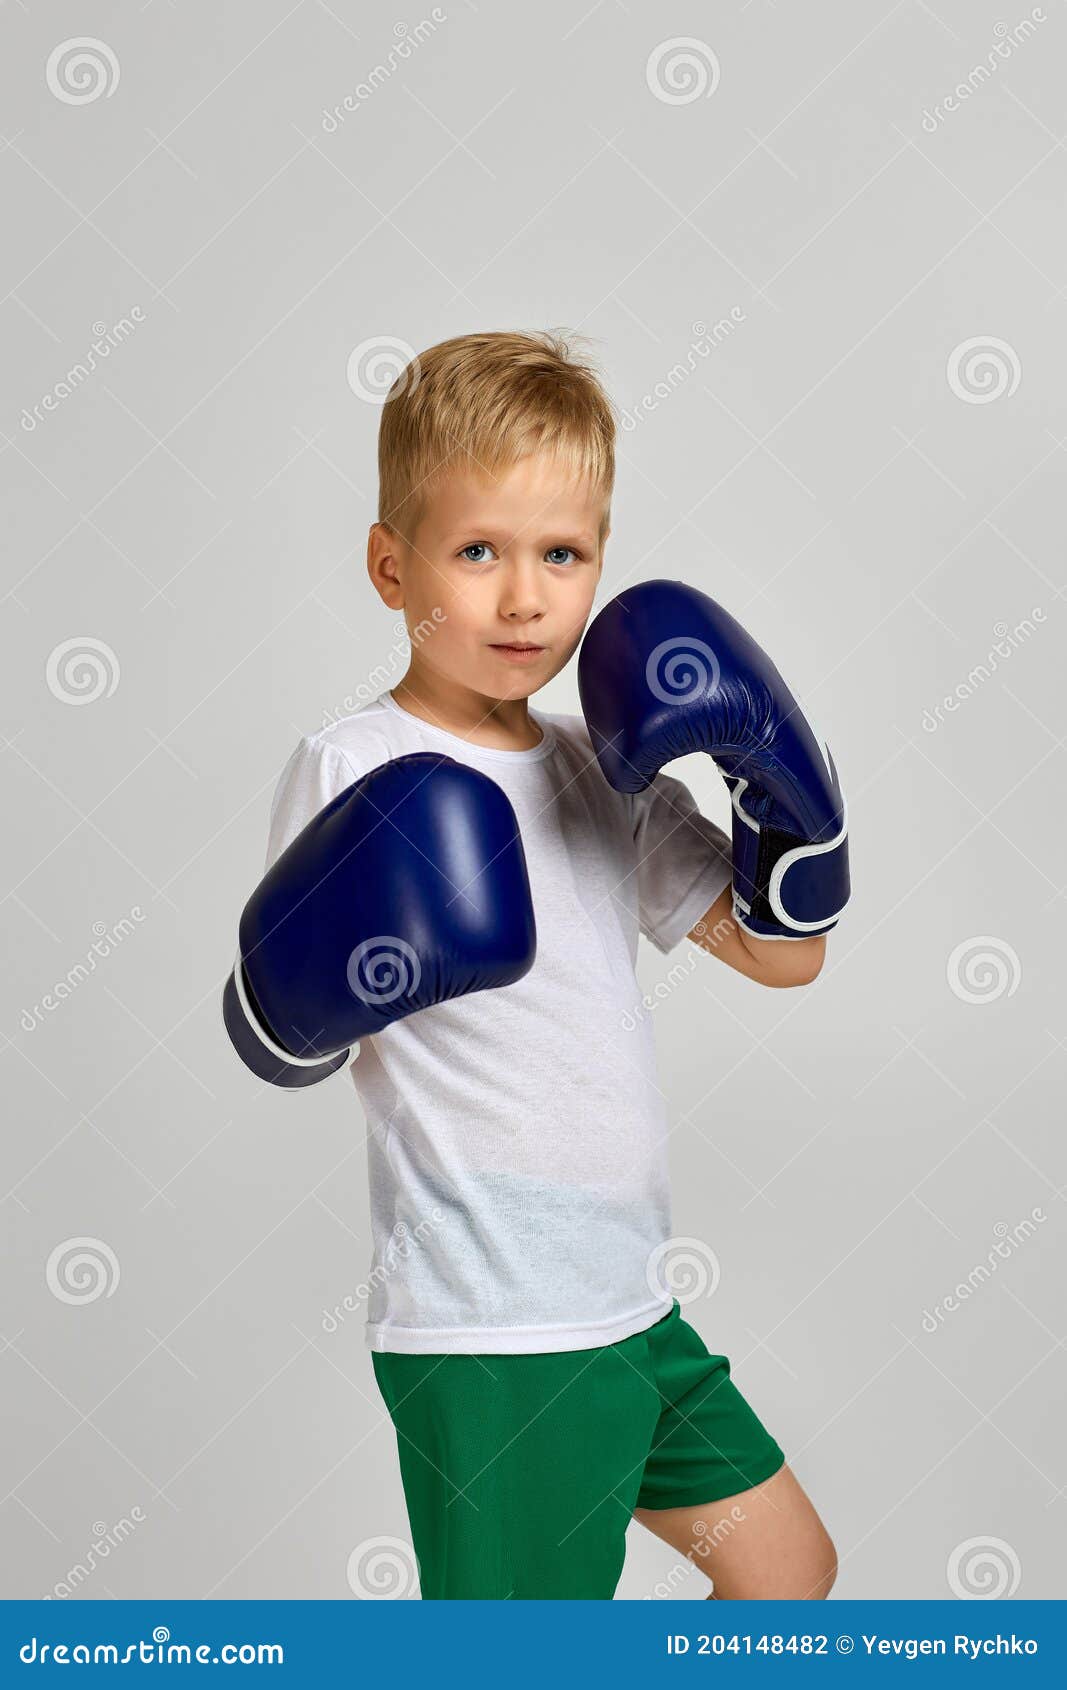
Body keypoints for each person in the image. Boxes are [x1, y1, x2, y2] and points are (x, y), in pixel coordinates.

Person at [251, 329, 842, 1600]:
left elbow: (783, 958)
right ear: (388, 563)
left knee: (786, 1572)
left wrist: (784, 799)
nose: (524, 599)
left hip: (627, 1306)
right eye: (478, 553)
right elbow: (285, 1021)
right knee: (518, 1663)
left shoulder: (599, 765)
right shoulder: (357, 770)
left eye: (560, 555)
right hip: (494, 1326)